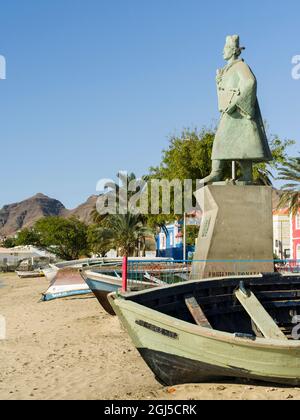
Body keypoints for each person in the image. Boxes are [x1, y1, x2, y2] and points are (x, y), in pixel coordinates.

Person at [200, 35, 273, 185]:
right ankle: (217, 173)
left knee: (239, 143)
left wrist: (237, 102)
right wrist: (218, 81)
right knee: (232, 142)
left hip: (239, 112)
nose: (222, 52)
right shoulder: (227, 69)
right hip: (229, 111)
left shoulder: (240, 66)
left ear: (233, 51)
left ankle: (229, 174)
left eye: (225, 49)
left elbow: (250, 82)